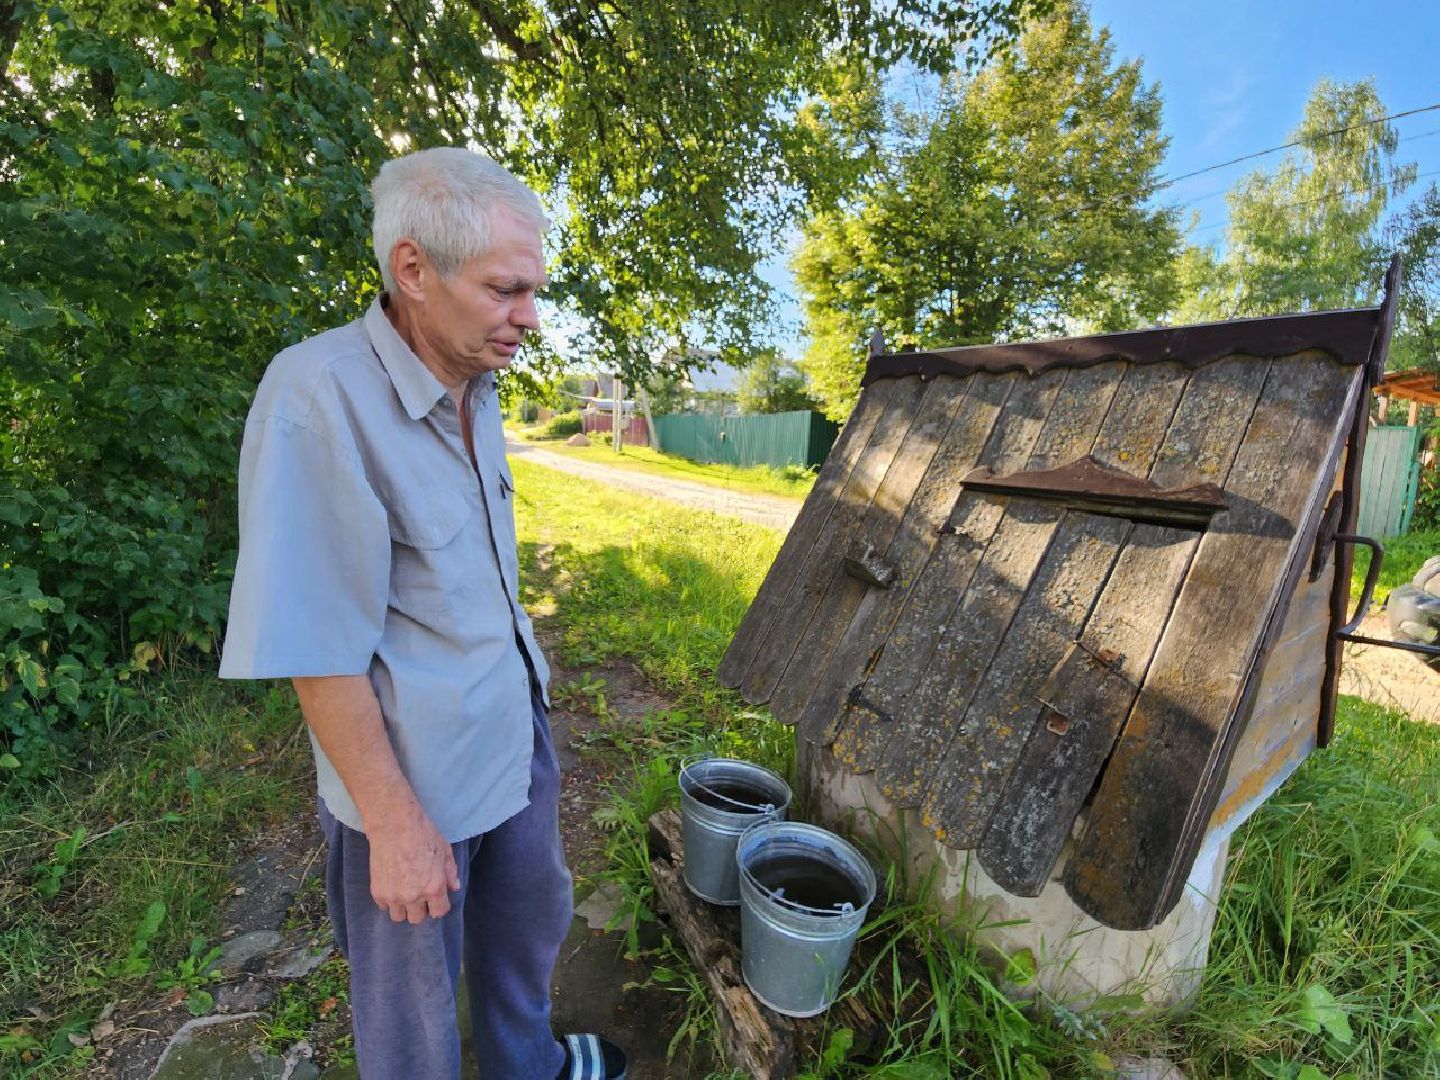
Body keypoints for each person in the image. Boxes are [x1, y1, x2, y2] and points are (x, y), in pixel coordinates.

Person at [220, 147, 627, 1080]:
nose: (530, 318)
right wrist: (395, 826)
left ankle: (529, 1068)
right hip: (411, 782)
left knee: (530, 920)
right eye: (505, 290)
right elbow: (313, 644)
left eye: (533, 290)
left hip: (508, 730)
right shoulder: (315, 395)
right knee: (411, 1016)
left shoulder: (474, 384)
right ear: (413, 270)